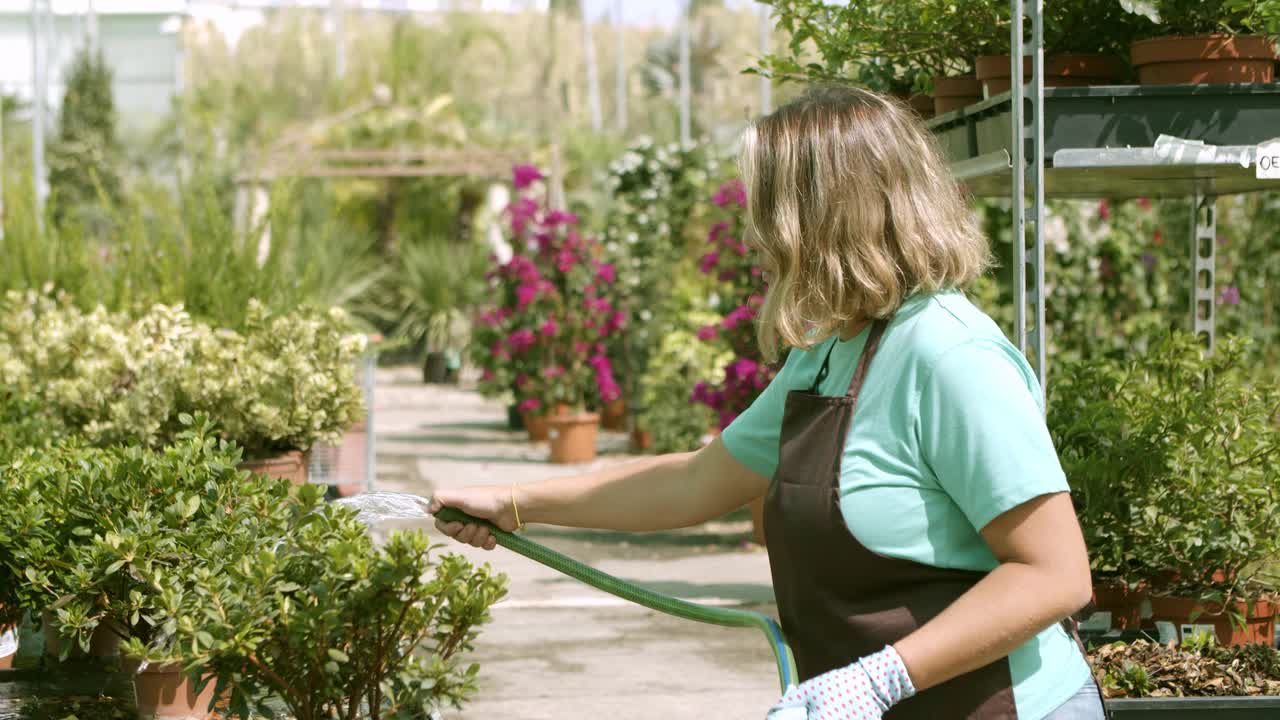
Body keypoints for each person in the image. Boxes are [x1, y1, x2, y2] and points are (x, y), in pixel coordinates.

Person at [430, 86, 1105, 720]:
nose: (753, 234)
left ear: (823, 217)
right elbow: (696, 481)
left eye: (764, 209)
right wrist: (518, 503)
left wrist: (882, 676)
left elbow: (1055, 574)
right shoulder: (833, 349)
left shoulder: (951, 359)